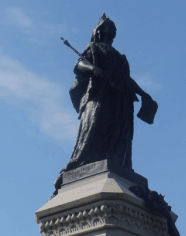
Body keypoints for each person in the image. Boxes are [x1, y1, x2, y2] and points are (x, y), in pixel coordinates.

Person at [64, 14, 157, 174]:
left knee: (119, 132)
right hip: (100, 95)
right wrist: (93, 68)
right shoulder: (93, 48)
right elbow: (79, 63)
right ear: (100, 30)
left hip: (120, 99)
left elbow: (127, 79)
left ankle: (115, 162)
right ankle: (85, 162)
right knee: (97, 125)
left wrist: (143, 94)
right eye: (110, 25)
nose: (114, 28)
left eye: (114, 26)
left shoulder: (120, 57)